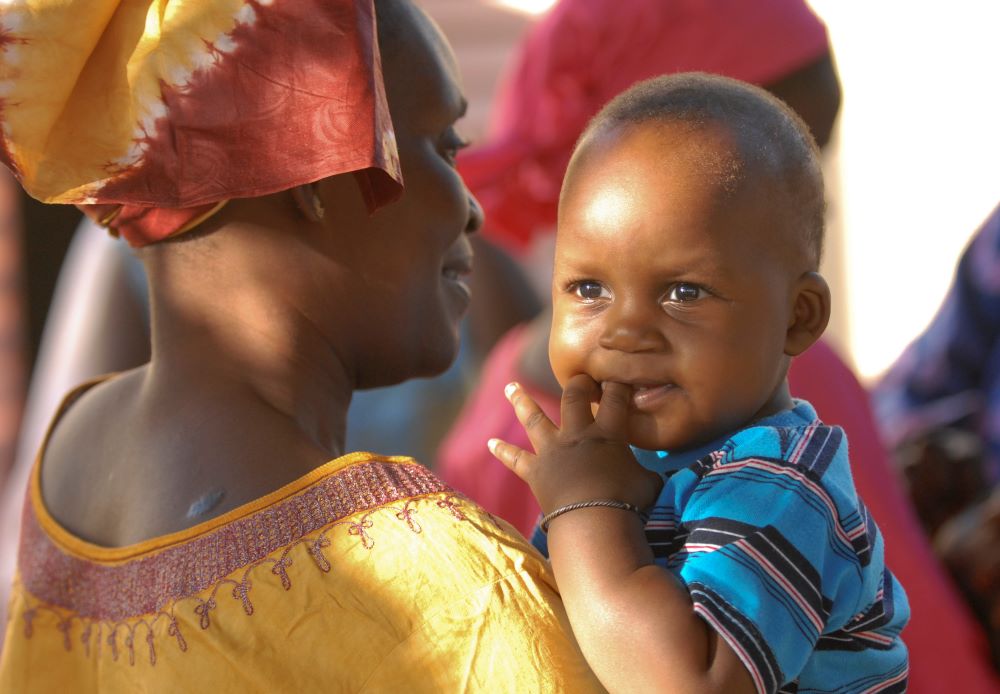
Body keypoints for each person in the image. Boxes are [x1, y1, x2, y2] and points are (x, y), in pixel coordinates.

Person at [0, 1, 604, 691]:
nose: (471, 207)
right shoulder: (442, 595)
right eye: (442, 147)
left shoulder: (72, 458)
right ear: (319, 173)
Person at [488, 73, 909, 693]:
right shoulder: (626, 465)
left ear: (799, 317)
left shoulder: (778, 487)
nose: (625, 332)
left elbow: (692, 684)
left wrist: (585, 511)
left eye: (684, 292)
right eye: (588, 289)